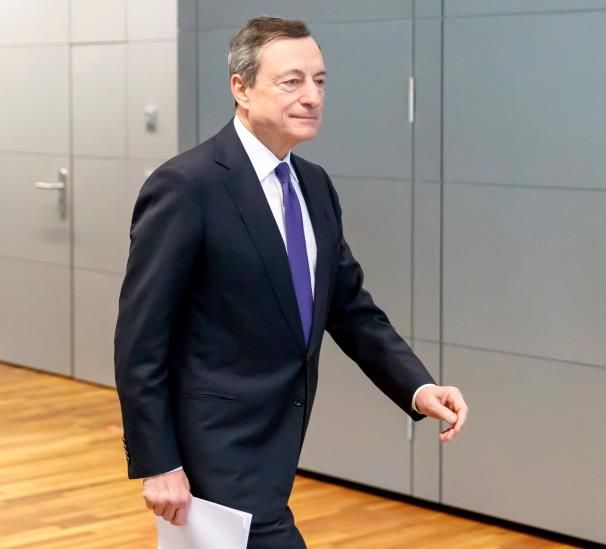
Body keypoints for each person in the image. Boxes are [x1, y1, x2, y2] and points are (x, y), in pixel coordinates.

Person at [114, 16, 469, 548]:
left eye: (319, 81)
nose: (311, 96)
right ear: (241, 88)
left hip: (278, 440)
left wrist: (418, 388)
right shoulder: (187, 186)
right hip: (214, 447)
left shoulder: (313, 186)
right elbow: (140, 340)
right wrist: (158, 462)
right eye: (292, 81)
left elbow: (350, 309)